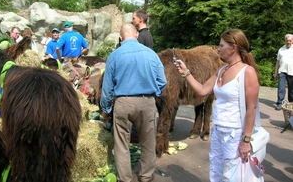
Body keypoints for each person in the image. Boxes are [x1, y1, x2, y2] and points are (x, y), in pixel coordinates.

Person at [174, 29, 259, 182]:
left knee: (231, 176)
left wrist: (246, 141)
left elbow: (251, 108)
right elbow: (202, 91)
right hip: (218, 130)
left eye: (221, 45)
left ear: (233, 47)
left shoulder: (248, 72)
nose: (218, 49)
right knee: (216, 172)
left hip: (235, 133)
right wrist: (185, 72)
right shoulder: (221, 70)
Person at [100, 23, 167, 182]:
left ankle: (124, 179)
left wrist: (105, 108)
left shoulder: (114, 56)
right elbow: (162, 81)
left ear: (121, 37)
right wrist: (153, 94)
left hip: (123, 103)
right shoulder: (151, 54)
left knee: (122, 144)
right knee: (148, 143)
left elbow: (107, 87)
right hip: (147, 101)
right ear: (136, 35)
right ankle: (146, 177)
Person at [274, 34, 293, 110]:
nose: (288, 42)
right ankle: (279, 103)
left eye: (290, 40)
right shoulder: (281, 49)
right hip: (282, 71)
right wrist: (276, 72)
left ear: (292, 41)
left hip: (291, 72)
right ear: (285, 41)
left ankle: (291, 104)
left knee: (291, 89)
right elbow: (278, 61)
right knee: (281, 88)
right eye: (287, 40)